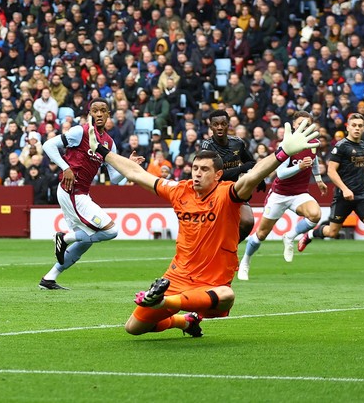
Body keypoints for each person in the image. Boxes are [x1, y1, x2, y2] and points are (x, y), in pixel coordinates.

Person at [90, 118, 321, 338]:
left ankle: (164, 302)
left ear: (218, 175)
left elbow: (252, 177)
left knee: (227, 295)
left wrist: (281, 154)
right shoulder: (179, 190)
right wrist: (101, 151)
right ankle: (185, 321)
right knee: (133, 328)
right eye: (195, 168)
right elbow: (134, 172)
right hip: (176, 278)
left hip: (212, 284)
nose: (197, 173)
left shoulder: (226, 194)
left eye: (204, 170)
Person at [38, 99, 142, 290]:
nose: (99, 114)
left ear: (109, 114)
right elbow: (48, 146)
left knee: (85, 242)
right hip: (71, 191)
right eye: (95, 110)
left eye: (103, 110)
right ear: (90, 113)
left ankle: (49, 279)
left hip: (82, 193)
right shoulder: (80, 132)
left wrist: (130, 164)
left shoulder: (109, 143)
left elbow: (116, 179)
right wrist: (65, 167)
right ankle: (64, 237)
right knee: (111, 231)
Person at [299, 113, 364, 275]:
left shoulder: (362, 145)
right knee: (332, 232)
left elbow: (361, 166)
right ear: (348, 127)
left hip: (362, 194)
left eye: (360, 126)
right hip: (343, 196)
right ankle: (310, 234)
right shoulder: (341, 146)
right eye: (354, 125)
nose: (357, 128)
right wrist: (345, 189)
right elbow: (331, 171)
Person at [238, 111, 327, 280]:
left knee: (315, 215)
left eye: (307, 125)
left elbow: (313, 159)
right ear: (294, 125)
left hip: (300, 193)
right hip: (279, 194)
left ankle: (290, 236)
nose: (304, 127)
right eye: (300, 124)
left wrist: (318, 179)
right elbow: (280, 173)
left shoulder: (313, 142)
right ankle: (245, 262)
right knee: (262, 234)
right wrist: (299, 167)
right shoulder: (287, 144)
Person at [201, 109, 255, 241]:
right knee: (214, 229)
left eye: (223, 123)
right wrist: (241, 168)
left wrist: (257, 178)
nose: (219, 127)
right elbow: (215, 175)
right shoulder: (207, 147)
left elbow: (251, 162)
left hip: (234, 190)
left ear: (228, 125)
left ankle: (230, 247)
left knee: (248, 221)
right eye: (216, 124)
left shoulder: (238, 143)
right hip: (214, 192)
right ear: (211, 127)